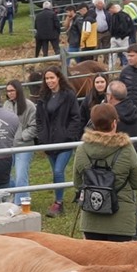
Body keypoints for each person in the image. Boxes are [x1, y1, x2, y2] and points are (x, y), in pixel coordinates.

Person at [73, 102, 137, 243]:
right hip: (121, 221)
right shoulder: (126, 149)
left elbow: (77, 184)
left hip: (91, 219)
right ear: (114, 123)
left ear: (93, 124)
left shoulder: (82, 149)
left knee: (94, 263)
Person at [34, 66, 84, 217]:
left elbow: (76, 117)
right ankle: (62, 197)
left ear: (58, 78)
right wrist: (42, 137)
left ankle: (59, 202)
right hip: (49, 142)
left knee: (58, 170)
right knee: (55, 172)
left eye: (52, 78)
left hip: (64, 142)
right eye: (47, 78)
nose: (49, 81)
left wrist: (68, 135)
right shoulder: (43, 97)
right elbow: (39, 119)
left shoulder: (69, 95)